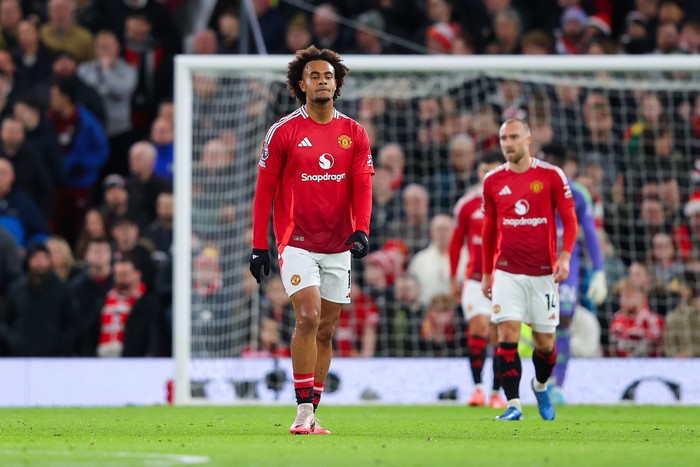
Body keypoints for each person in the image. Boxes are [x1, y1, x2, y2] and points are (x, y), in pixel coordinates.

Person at [249, 46, 374, 435]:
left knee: (326, 329)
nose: (322, 81)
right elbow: (264, 191)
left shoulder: (354, 133)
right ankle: (302, 410)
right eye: (314, 75)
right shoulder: (284, 132)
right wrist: (259, 245)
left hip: (338, 245)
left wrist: (362, 229)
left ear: (336, 84)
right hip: (297, 241)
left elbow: (363, 185)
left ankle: (313, 409)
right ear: (301, 84)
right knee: (308, 316)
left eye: (328, 76)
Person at [480, 118, 578, 421]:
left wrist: (564, 258)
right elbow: (489, 230)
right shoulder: (493, 181)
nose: (508, 143)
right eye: (503, 138)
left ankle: (540, 385)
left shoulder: (551, 176)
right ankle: (513, 405)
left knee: (545, 345)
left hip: (543, 274)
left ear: (528, 140)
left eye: (513, 137)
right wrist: (487, 272)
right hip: (507, 271)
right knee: (507, 334)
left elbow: (570, 221)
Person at [538, 144, 608, 404]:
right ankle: (536, 379)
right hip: (534, 264)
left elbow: (589, 232)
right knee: (539, 323)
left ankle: (557, 385)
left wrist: (599, 270)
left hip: (566, 266)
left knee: (563, 318)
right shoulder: (533, 189)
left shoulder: (578, 194)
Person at [449, 150, 507, 409]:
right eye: (485, 170)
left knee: (499, 336)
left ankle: (496, 393)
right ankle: (477, 390)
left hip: (506, 279)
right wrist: (453, 277)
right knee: (478, 328)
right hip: (474, 280)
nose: (489, 176)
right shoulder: (467, 204)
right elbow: (455, 242)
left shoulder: (513, 203)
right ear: (479, 172)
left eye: (494, 171)